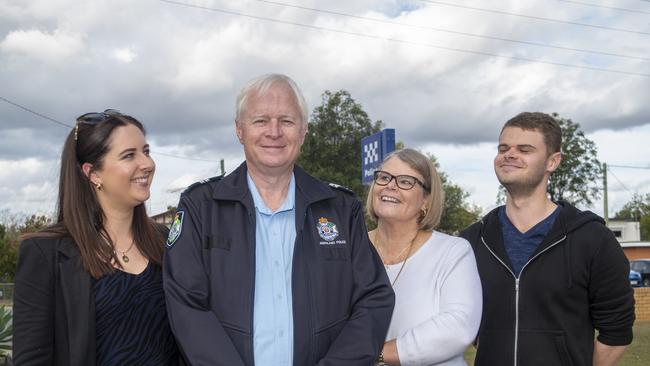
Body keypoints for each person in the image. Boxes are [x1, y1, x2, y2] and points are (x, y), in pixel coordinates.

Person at [163, 73, 395, 366]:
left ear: (303, 130)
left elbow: (374, 299)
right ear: (239, 130)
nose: (274, 132)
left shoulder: (340, 208)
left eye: (286, 121)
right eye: (260, 120)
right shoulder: (200, 207)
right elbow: (186, 305)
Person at [460, 112, 635, 366]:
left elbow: (616, 331)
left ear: (552, 161)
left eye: (524, 149)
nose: (509, 154)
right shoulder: (474, 239)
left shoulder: (592, 238)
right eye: (503, 148)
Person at [13, 110, 180, 366]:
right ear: (93, 173)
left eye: (146, 151)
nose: (147, 164)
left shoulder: (166, 241)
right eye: (129, 155)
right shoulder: (46, 252)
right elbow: (32, 358)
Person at [366, 148, 482, 366]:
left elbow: (458, 328)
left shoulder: (452, 252)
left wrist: (375, 354)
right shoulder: (349, 250)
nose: (390, 185)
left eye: (406, 181)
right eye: (384, 177)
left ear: (426, 200)